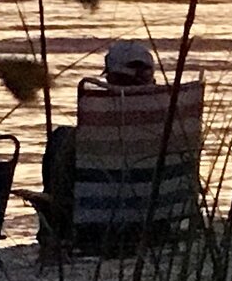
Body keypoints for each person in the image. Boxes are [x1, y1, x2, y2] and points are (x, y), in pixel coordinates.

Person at [37, 38, 156, 244]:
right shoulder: (172, 123)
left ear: (110, 78)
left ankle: (54, 233)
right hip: (154, 225)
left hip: (96, 228)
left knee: (61, 137)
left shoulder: (88, 136)